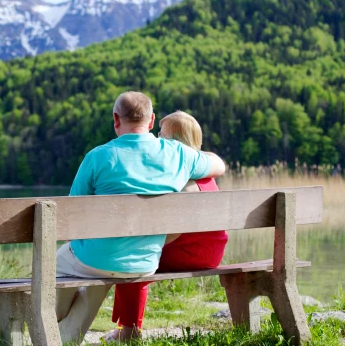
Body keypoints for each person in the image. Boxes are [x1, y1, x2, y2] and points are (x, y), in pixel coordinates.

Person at [55, 93, 226, 344]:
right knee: (99, 275)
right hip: (145, 262)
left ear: (116, 120)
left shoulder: (97, 156)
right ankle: (64, 337)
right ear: (152, 120)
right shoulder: (178, 154)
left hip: (97, 258)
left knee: (64, 262)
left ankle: (51, 318)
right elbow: (218, 166)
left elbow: (68, 217)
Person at [104, 111, 229, 342]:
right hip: (213, 252)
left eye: (161, 135)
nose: (157, 139)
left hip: (190, 252)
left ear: (173, 142)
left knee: (134, 259)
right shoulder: (203, 169)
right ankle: (125, 328)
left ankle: (129, 331)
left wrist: (146, 245)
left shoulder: (181, 176)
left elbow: (175, 232)